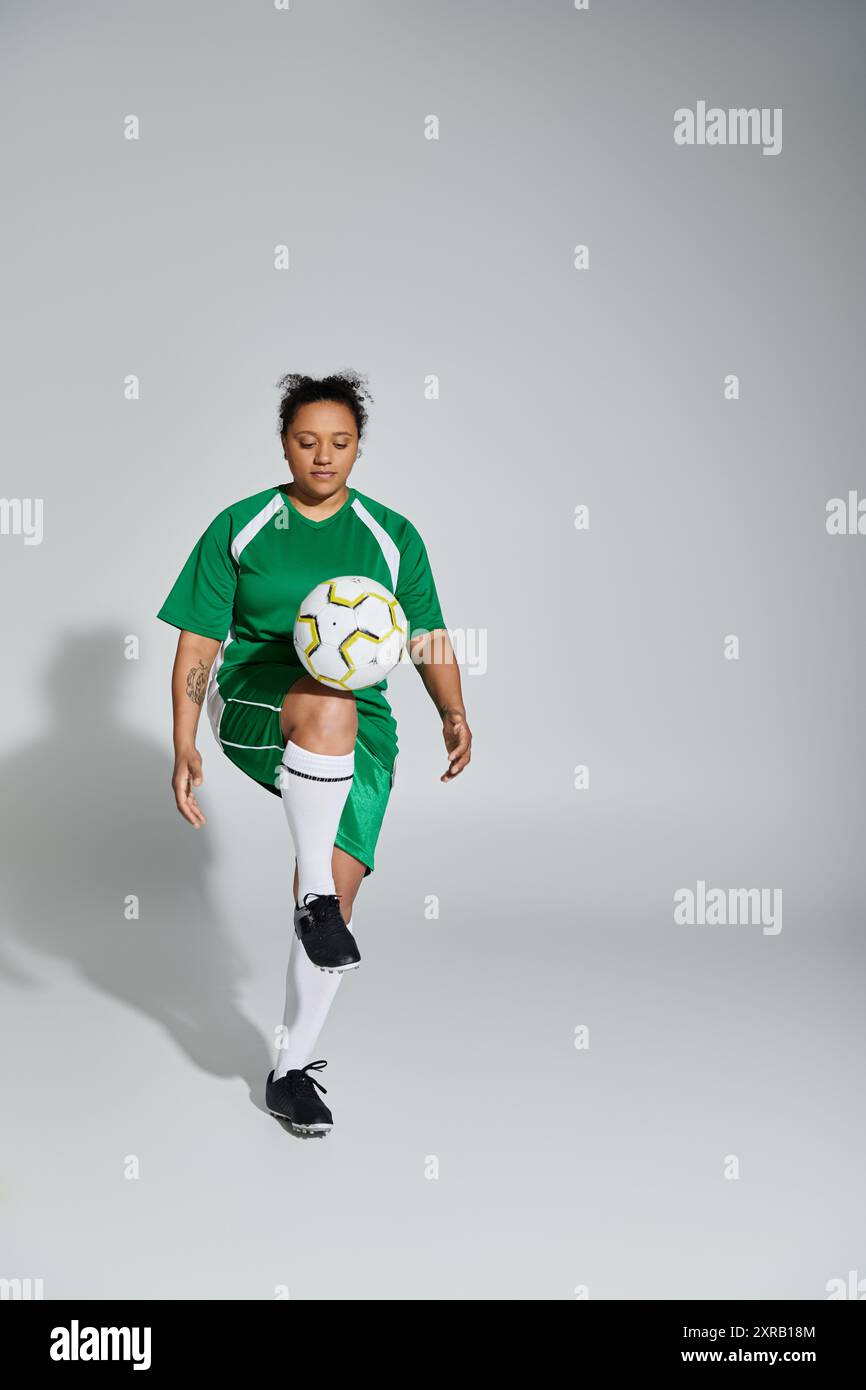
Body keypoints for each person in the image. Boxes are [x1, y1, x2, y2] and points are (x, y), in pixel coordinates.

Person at [157, 370, 472, 1135]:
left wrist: (453, 710)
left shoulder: (391, 536)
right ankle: (315, 903)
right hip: (262, 696)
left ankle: (290, 1071)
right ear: (284, 444)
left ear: (359, 447)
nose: (323, 456)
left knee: (340, 894)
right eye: (307, 441)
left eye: (339, 442)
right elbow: (199, 641)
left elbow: (426, 634)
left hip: (362, 719)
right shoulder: (242, 525)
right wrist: (184, 738)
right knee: (327, 710)